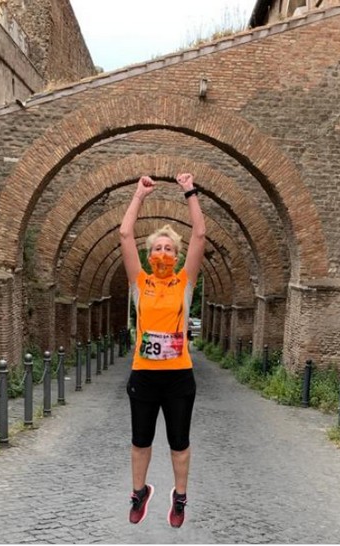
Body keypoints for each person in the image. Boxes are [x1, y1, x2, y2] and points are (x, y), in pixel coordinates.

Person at [119, 173, 205, 528]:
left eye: (169, 248)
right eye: (158, 248)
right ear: (149, 253)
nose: (163, 253)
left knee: (178, 442)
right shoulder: (140, 282)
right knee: (141, 441)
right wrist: (139, 194)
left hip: (178, 377)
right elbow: (124, 234)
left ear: (177, 254)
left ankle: (179, 496)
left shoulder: (184, 282)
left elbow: (200, 233)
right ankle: (139, 492)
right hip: (144, 374)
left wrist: (189, 191)